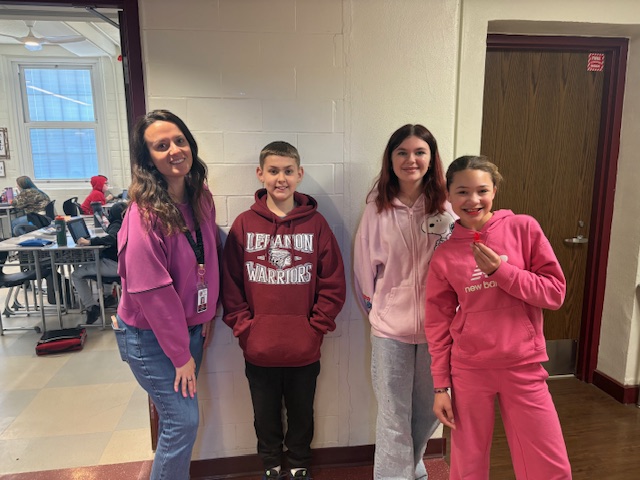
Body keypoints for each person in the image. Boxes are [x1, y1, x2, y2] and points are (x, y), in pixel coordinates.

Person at [425, 155, 572, 479]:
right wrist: (440, 387)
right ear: (448, 195)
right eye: (462, 192)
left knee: (547, 462)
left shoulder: (524, 228)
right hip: (469, 368)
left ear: (494, 191)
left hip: (523, 363)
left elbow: (554, 293)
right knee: (467, 463)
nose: (473, 200)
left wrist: (501, 272)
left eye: (482, 191)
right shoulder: (445, 255)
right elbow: (437, 324)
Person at [222, 141, 346, 480]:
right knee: (264, 415)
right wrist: (245, 327)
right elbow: (230, 284)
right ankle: (271, 465)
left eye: (288, 171)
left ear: (299, 174)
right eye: (274, 171)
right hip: (258, 347)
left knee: (302, 413)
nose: (281, 178)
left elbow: (333, 283)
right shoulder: (244, 224)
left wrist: (315, 327)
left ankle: (300, 464)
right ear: (260, 174)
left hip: (304, 348)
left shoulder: (316, 224)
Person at [113, 110, 221, 480]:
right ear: (148, 161)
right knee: (181, 422)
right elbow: (151, 291)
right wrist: (179, 354)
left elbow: (207, 255)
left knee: (179, 423)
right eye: (161, 146)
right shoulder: (143, 215)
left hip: (190, 330)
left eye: (179, 140)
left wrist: (206, 313)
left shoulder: (200, 197)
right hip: (150, 338)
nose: (174, 150)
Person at [354, 124, 455, 480]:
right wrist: (378, 312)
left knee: (429, 411)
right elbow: (364, 269)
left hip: (438, 330)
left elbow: (460, 264)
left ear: (431, 158)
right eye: (402, 152)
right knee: (393, 415)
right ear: (391, 158)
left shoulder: (447, 207)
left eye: (419, 152)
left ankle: (410, 467)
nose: (411, 159)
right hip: (390, 330)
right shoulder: (377, 208)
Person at [71, 201, 127, 325]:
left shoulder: (116, 224)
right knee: (100, 260)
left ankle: (91, 307)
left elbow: (112, 238)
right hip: (124, 263)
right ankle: (108, 297)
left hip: (114, 265)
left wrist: (90, 242)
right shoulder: (128, 223)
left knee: (76, 274)